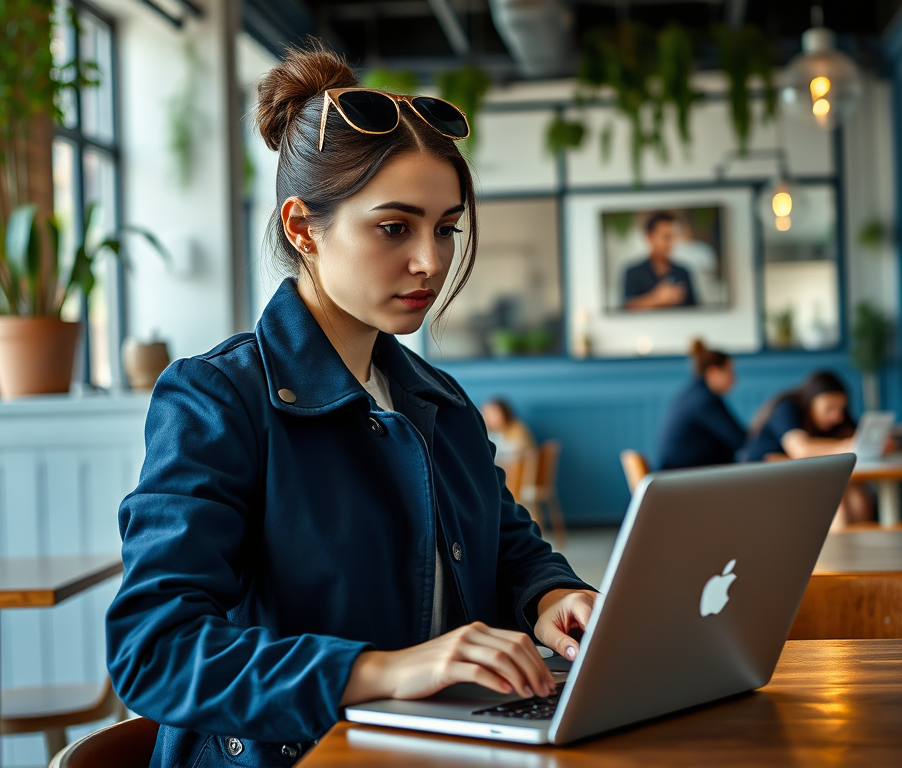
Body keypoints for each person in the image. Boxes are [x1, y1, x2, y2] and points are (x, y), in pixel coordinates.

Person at [105, 45, 596, 768]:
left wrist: (553, 597)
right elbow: (155, 649)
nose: (431, 260)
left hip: (437, 749)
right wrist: (386, 670)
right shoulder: (219, 398)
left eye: (446, 227)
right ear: (303, 227)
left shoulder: (439, 399)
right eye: (395, 227)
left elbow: (511, 547)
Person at [745, 371, 873, 528]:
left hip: (803, 472)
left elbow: (857, 438)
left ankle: (859, 546)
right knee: (833, 496)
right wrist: (847, 445)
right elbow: (801, 450)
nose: (836, 416)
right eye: (829, 408)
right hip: (763, 479)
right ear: (811, 400)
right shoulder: (787, 408)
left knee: (856, 493)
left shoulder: (837, 418)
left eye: (840, 409)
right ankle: (840, 549)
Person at [655, 340, 746, 470]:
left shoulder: (693, 394)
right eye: (730, 372)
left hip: (676, 475)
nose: (734, 379)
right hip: (680, 480)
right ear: (713, 372)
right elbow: (739, 439)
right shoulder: (704, 400)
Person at [623, 211, 698, 310]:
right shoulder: (633, 272)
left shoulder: (683, 272)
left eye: (673, 237)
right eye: (666, 237)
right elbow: (625, 308)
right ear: (649, 237)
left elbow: (695, 310)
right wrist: (656, 299)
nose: (671, 243)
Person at [481, 398, 537, 464]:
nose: (488, 417)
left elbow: (520, 452)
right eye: (486, 414)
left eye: (493, 413)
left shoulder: (517, 428)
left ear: (504, 413)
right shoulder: (489, 433)